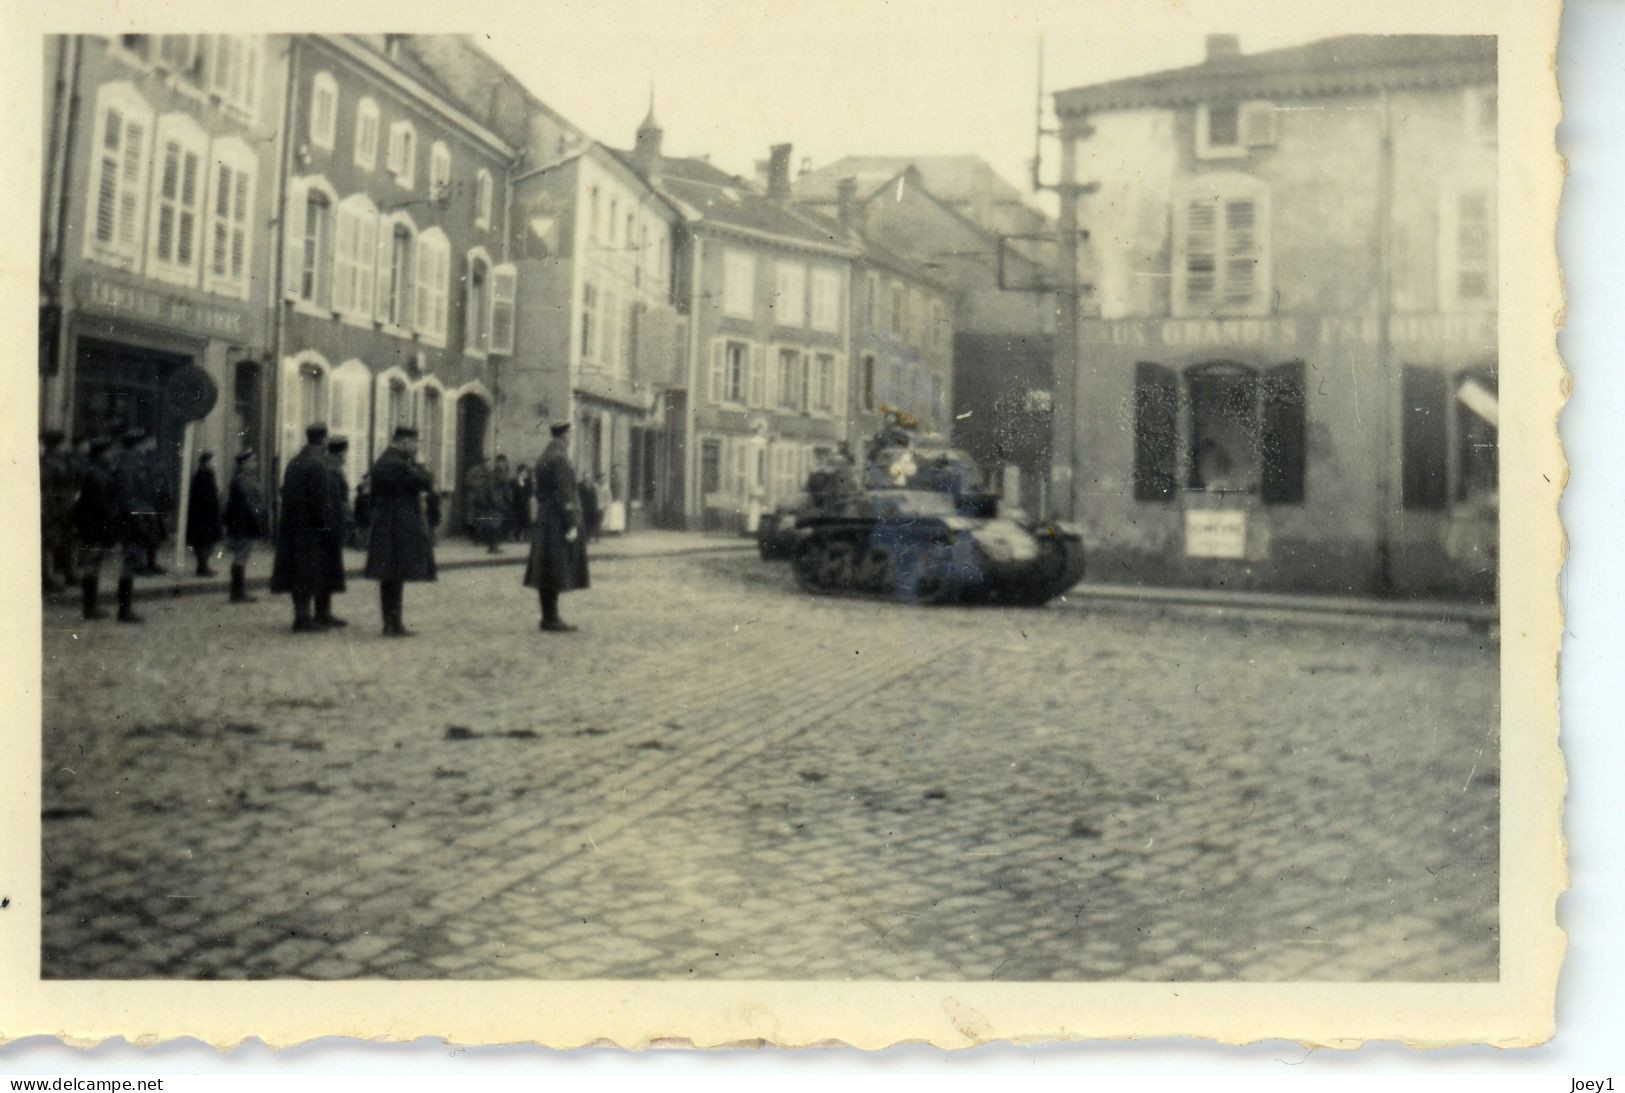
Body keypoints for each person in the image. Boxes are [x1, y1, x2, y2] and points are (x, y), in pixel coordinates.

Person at [270, 423, 345, 633]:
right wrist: (325, 526)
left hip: (293, 527)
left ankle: (306, 615)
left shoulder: (294, 462)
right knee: (308, 572)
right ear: (323, 440)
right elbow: (319, 501)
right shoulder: (318, 464)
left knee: (298, 572)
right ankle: (303, 619)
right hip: (312, 529)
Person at [364, 426, 438, 637]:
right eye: (415, 443)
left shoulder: (386, 460)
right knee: (394, 574)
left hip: (388, 521)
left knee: (392, 575)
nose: (416, 448)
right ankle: (392, 623)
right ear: (404, 442)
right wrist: (420, 464)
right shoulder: (396, 464)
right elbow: (425, 481)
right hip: (397, 523)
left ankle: (392, 623)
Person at [524, 420, 589, 632]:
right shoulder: (560, 459)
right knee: (556, 566)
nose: (571, 439)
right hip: (556, 519)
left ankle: (547, 616)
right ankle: (552, 618)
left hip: (545, 516)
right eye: (570, 435)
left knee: (546, 567)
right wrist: (571, 522)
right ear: (564, 436)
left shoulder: (545, 456)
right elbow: (565, 493)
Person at [110, 428, 163, 622]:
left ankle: (126, 609)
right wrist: (140, 523)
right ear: (137, 446)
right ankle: (124, 611)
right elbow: (128, 498)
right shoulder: (128, 466)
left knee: (132, 563)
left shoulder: (135, 463)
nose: (145, 448)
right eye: (143, 444)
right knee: (129, 563)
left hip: (136, 519)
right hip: (130, 521)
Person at [70, 437, 119, 620]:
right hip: (95, 528)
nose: (111, 456)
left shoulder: (92, 472)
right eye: (108, 453)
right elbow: (103, 506)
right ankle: (90, 608)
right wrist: (110, 530)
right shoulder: (97, 475)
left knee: (92, 566)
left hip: (90, 527)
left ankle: (90, 606)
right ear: (100, 455)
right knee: (92, 566)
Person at [222, 449, 267, 604]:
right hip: (244, 524)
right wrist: (258, 522)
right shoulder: (243, 481)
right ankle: (237, 593)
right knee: (241, 557)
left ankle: (238, 592)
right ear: (244, 464)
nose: (256, 463)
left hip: (243, 523)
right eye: (253, 460)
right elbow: (251, 505)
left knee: (241, 557)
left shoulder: (243, 479)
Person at [316, 437, 353, 628]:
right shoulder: (331, 472)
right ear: (340, 453)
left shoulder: (329, 469)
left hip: (330, 527)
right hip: (330, 528)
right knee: (326, 571)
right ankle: (323, 613)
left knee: (327, 570)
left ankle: (324, 611)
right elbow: (333, 502)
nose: (346, 456)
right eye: (345, 452)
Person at [40, 429, 77, 592]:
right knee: (49, 542)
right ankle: (48, 577)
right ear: (55, 446)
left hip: (64, 507)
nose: (66, 447)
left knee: (65, 539)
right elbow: (47, 488)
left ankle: (67, 572)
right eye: (63, 444)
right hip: (52, 507)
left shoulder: (61, 461)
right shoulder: (46, 463)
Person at [184, 452, 223, 577]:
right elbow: (209, 496)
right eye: (211, 461)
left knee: (202, 542)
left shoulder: (199, 475)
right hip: (205, 516)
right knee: (205, 542)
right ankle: (203, 567)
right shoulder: (207, 475)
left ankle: (202, 566)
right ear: (206, 463)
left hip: (200, 516)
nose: (213, 464)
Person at [464, 454, 504, 554]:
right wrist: (478, 484)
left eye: (490, 462)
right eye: (487, 462)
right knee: (477, 519)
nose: (489, 464)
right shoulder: (475, 470)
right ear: (483, 462)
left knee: (486, 521)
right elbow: (468, 481)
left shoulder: (491, 472)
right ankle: (478, 540)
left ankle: (486, 542)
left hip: (486, 499)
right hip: (476, 497)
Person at [509, 463, 533, 541]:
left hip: (525, 506)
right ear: (518, 473)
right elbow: (513, 494)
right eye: (522, 472)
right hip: (516, 506)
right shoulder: (513, 482)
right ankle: (516, 536)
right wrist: (520, 486)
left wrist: (522, 486)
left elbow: (529, 494)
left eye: (526, 472)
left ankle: (526, 537)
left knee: (526, 521)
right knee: (516, 522)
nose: (524, 474)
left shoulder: (529, 482)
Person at [577, 472, 601, 542]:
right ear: (583, 477)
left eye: (589, 477)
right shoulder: (579, 486)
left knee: (590, 523)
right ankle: (583, 538)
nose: (587, 478)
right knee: (583, 523)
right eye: (586, 477)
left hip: (591, 508)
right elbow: (578, 496)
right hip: (583, 507)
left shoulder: (592, 486)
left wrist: (595, 507)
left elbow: (595, 497)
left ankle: (588, 537)